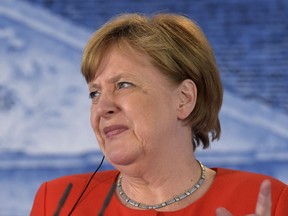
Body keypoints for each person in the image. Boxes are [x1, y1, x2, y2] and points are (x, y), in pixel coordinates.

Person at [30, 13, 288, 216]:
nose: (102, 107)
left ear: (184, 99)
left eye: (123, 85)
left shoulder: (268, 201)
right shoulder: (58, 202)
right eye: (94, 93)